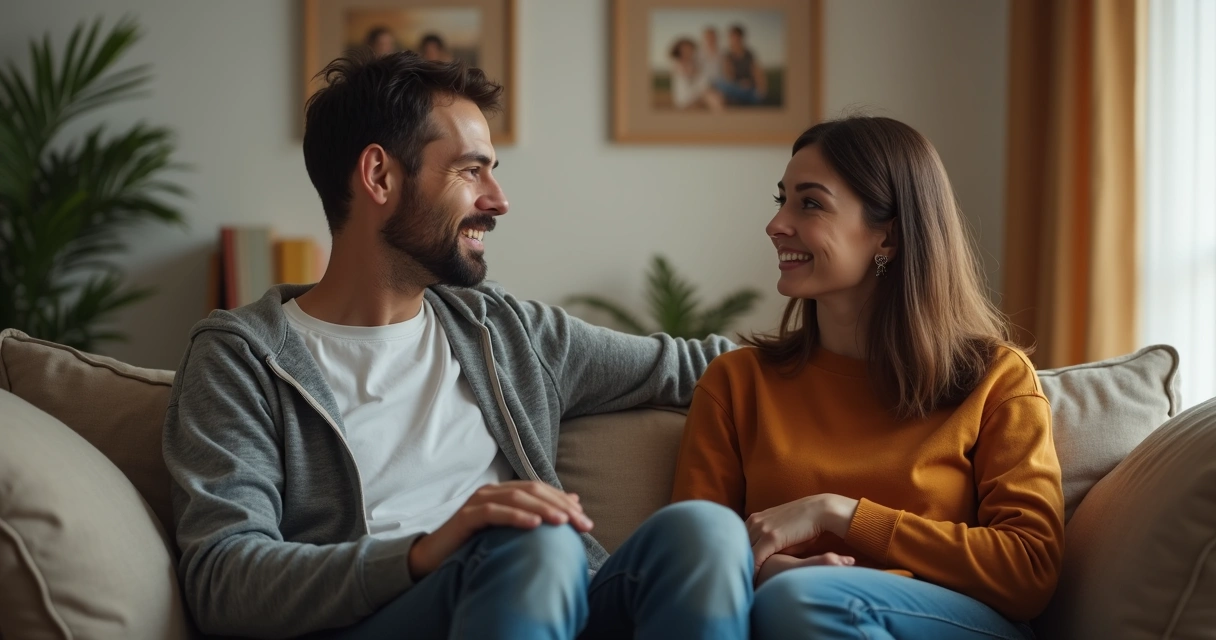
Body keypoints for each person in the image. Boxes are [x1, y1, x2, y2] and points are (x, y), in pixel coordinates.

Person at [163, 51, 752, 639]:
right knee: (534, 540)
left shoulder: (503, 330)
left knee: (707, 533)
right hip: (385, 615)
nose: (498, 200)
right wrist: (426, 551)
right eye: (471, 171)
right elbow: (223, 579)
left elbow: (710, 367)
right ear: (380, 176)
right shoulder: (243, 359)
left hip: (546, 595)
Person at [671, 116, 1064, 639]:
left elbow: (1029, 570)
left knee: (805, 598)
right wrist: (765, 571)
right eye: (782, 200)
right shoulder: (736, 383)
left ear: (889, 236)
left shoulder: (996, 379)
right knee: (796, 597)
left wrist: (838, 514)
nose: (776, 224)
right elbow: (691, 555)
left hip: (950, 622)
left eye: (810, 203)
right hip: (792, 613)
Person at [668, 37, 723, 111]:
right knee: (712, 97)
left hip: (697, 94)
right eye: (685, 49)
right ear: (679, 50)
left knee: (715, 96)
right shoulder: (677, 64)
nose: (689, 51)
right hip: (685, 98)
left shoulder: (694, 63)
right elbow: (688, 75)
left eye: (690, 48)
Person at [716, 24, 766, 105]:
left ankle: (749, 99)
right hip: (736, 86)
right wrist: (739, 83)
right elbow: (728, 76)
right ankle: (743, 99)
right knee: (720, 84)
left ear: (741, 38)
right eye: (731, 37)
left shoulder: (749, 54)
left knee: (756, 95)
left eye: (736, 37)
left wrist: (760, 89)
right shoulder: (728, 56)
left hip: (749, 87)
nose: (734, 40)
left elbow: (757, 73)